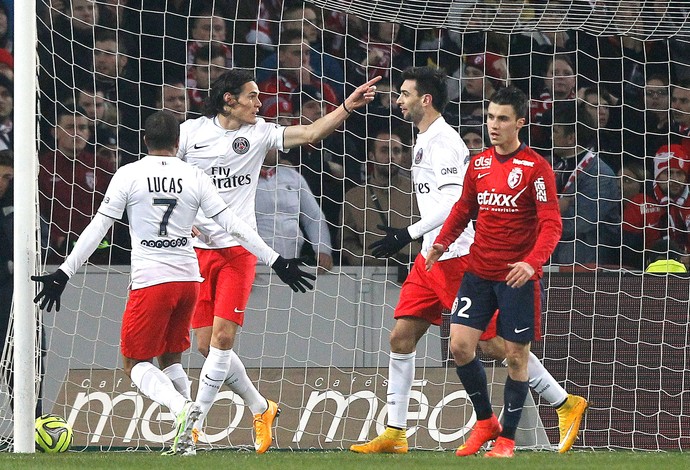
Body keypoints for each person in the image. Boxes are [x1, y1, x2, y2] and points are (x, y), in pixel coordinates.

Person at [31, 111, 315, 456]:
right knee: (171, 358)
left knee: (134, 364)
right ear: (178, 143)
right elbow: (233, 225)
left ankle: (183, 410)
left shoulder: (129, 174)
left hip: (152, 280)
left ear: (145, 141)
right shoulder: (193, 175)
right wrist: (276, 260)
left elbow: (98, 229)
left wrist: (64, 272)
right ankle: (188, 439)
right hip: (188, 280)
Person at [350, 71, 585, 456]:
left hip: (459, 257)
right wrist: (427, 242)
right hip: (433, 255)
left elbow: (452, 205)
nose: (398, 101)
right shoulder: (425, 139)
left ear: (425, 100)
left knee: (495, 347)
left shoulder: (444, 142)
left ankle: (562, 402)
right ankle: (394, 431)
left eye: (405, 94)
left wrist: (406, 234)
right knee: (401, 337)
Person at [178, 69, 380, 453]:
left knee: (222, 340)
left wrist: (345, 107)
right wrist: (179, 222)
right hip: (196, 254)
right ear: (229, 100)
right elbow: (169, 175)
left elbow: (309, 134)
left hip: (240, 251)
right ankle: (261, 406)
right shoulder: (190, 133)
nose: (260, 103)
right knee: (206, 346)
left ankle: (190, 429)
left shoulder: (258, 132)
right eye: (253, 97)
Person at [425, 86, 564, 458]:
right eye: (490, 117)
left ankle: (508, 439)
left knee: (516, 357)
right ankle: (486, 422)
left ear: (520, 122)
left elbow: (552, 225)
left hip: (517, 278)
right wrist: (442, 242)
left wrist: (532, 263)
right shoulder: (480, 164)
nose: (493, 125)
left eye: (502, 118)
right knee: (459, 345)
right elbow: (462, 209)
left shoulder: (536, 168)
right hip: (478, 272)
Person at [550, 100, 621, 268]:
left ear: (571, 137)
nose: (551, 136)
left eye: (555, 131)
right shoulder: (559, 167)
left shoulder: (600, 175)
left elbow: (577, 224)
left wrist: (543, 215)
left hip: (587, 261)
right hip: (555, 254)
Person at [340, 128, 419, 266]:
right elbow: (346, 241)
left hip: (416, 272)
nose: (391, 156)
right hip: (372, 274)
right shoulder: (354, 197)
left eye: (396, 151)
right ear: (372, 155)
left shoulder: (418, 191)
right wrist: (365, 258)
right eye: (384, 150)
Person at [255, 149, 333, 271]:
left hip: (291, 264)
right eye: (272, 144)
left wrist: (323, 249)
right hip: (256, 268)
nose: (278, 149)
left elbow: (314, 216)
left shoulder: (293, 177)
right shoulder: (239, 181)